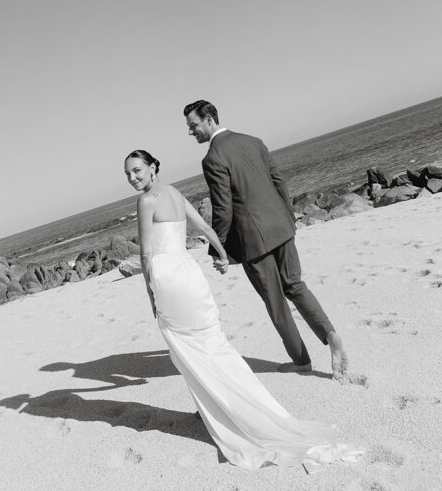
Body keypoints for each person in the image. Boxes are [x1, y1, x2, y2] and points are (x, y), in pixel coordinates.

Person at [124, 150, 362, 471]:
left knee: (186, 348)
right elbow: (207, 231)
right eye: (129, 174)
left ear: (153, 167)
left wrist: (152, 295)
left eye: (137, 170)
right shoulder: (176, 194)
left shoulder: (146, 202)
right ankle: (220, 404)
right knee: (211, 343)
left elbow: (145, 255)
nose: (133, 178)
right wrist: (222, 256)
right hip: (190, 274)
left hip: (167, 278)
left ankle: (219, 407)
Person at [183, 100, 349, 379]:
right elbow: (278, 182)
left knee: (276, 302)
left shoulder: (213, 157)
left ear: (209, 119)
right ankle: (329, 333)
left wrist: (218, 249)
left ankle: (301, 362)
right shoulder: (253, 140)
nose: (191, 132)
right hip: (281, 226)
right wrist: (288, 218)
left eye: (193, 125)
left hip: (253, 239)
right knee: (296, 286)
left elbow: (223, 208)